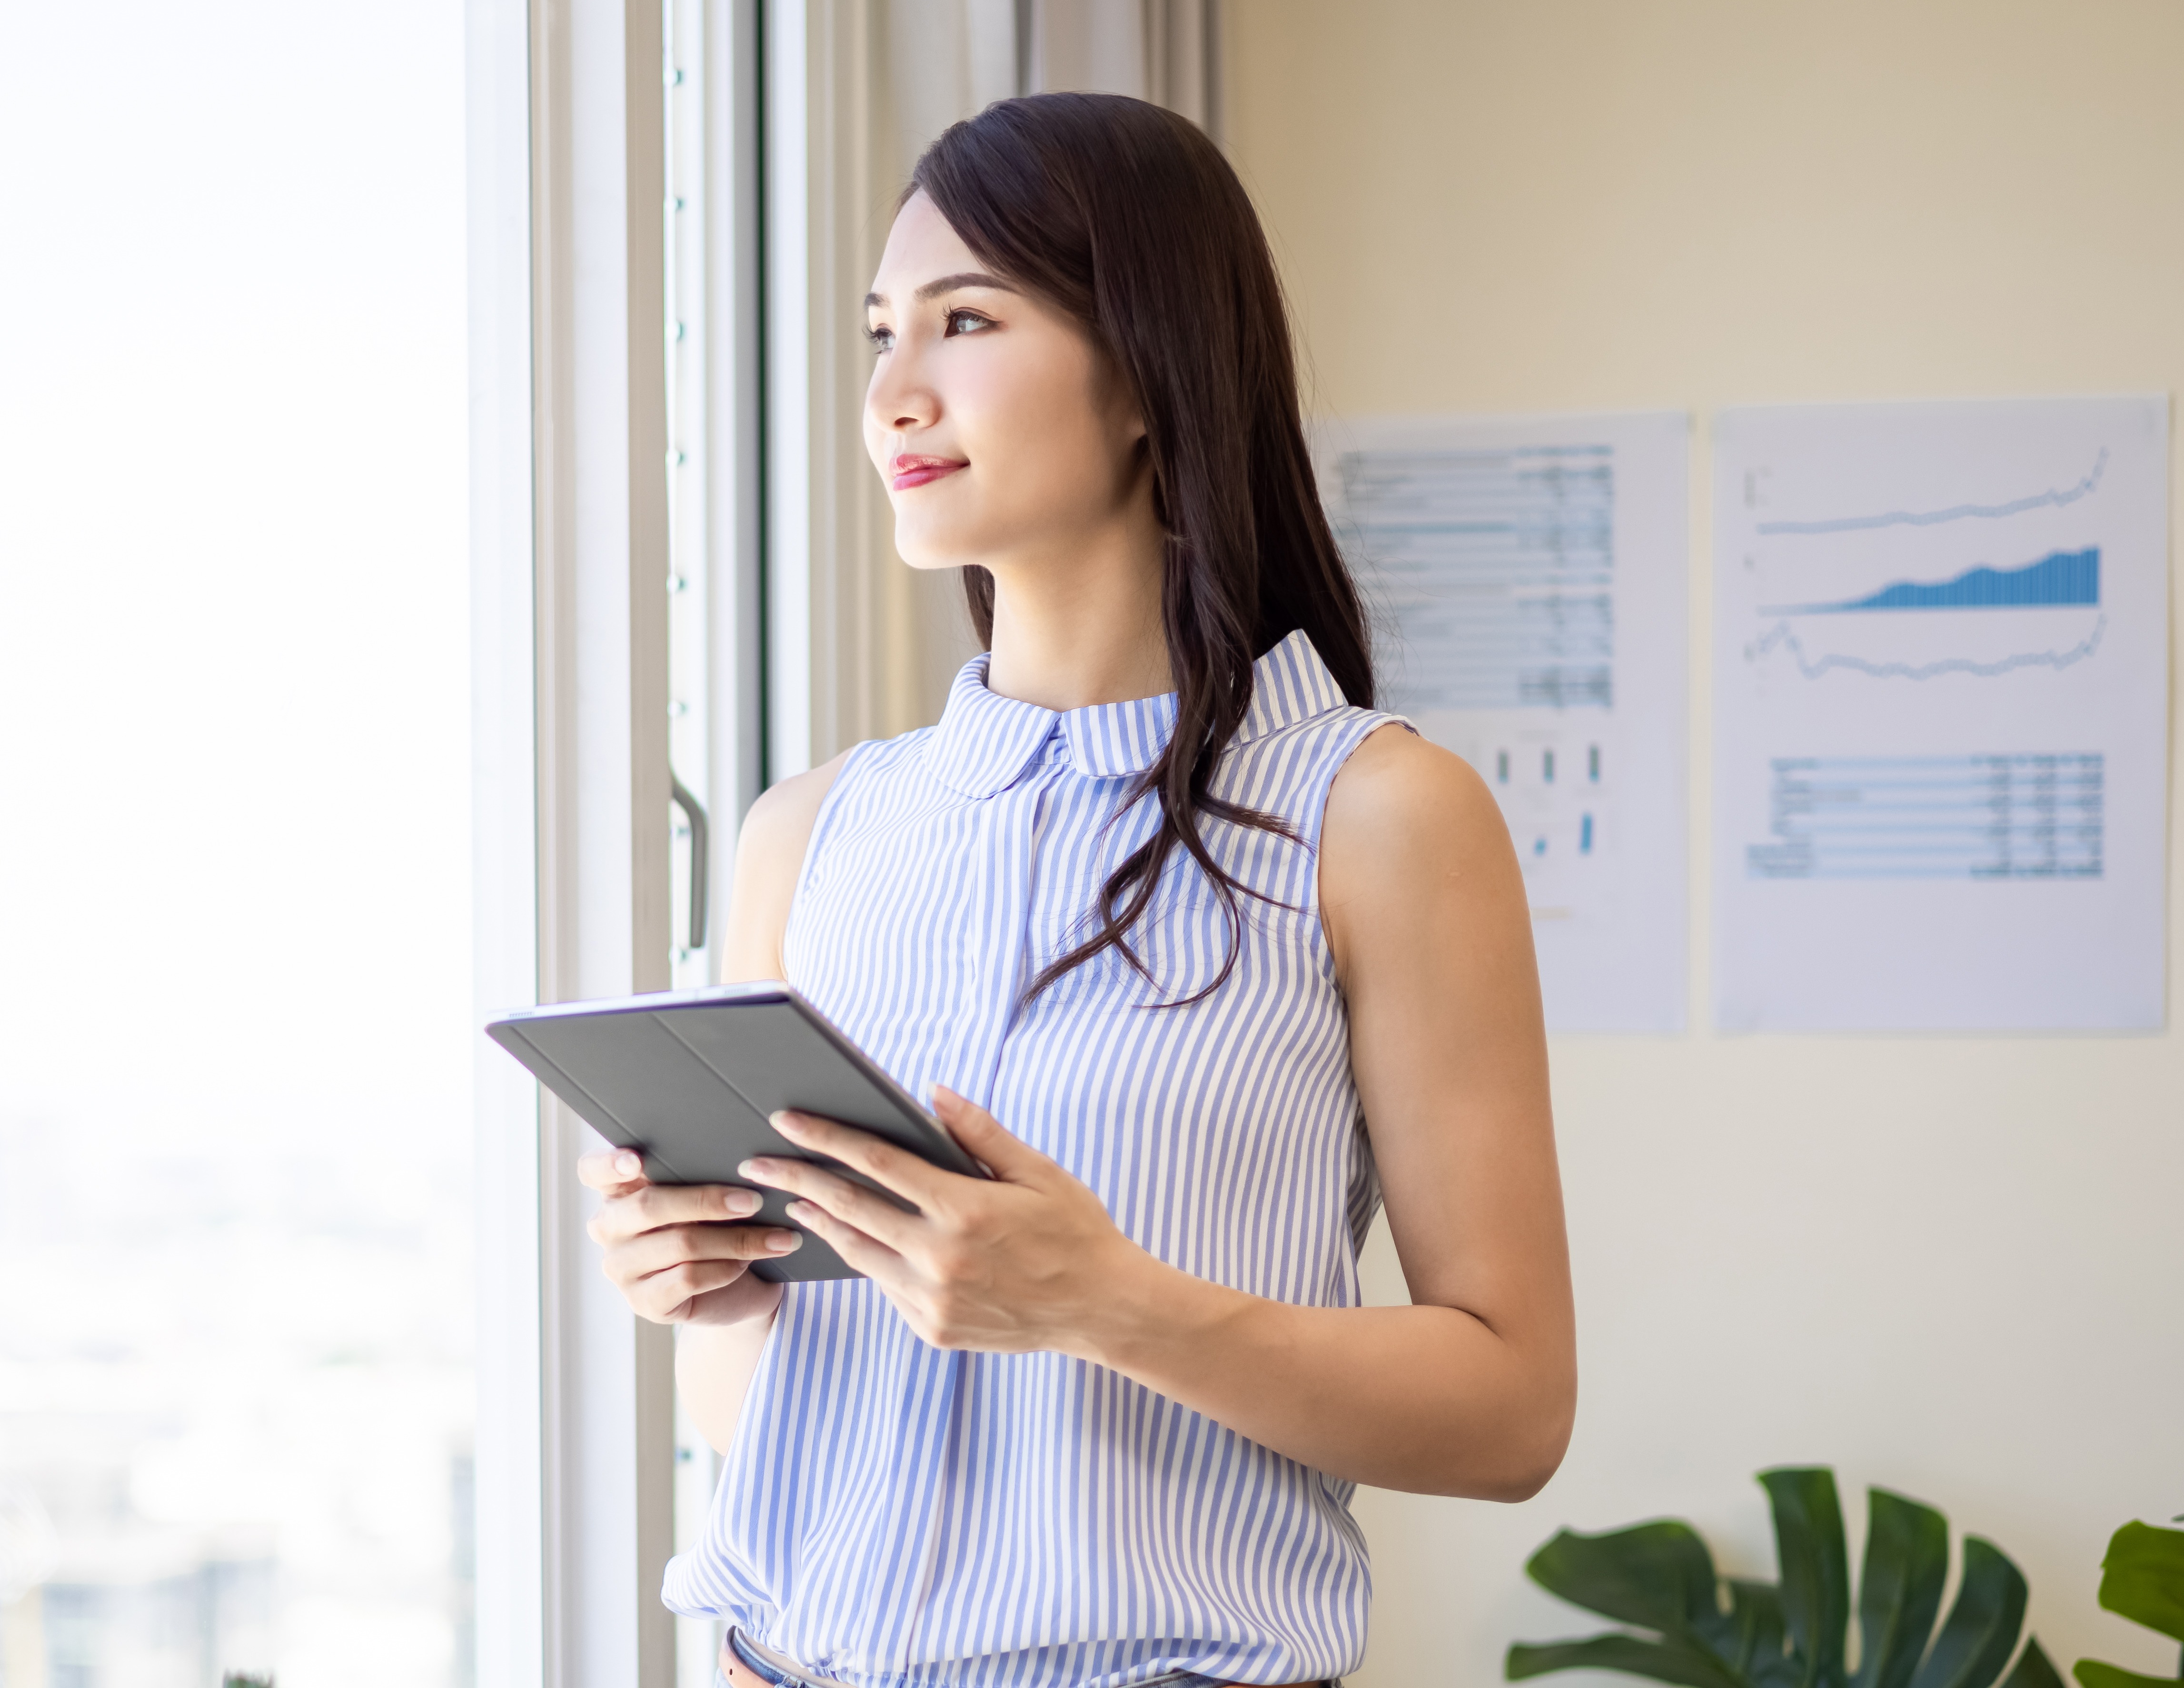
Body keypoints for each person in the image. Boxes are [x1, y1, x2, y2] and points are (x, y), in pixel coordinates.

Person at [579, 92, 1574, 1688]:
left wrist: (1113, 1305)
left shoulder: (1376, 816)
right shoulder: (807, 832)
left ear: (1149, 370)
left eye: (966, 321)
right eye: (879, 333)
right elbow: (761, 1428)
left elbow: (1513, 1411)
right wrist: (713, 1293)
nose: (893, 394)